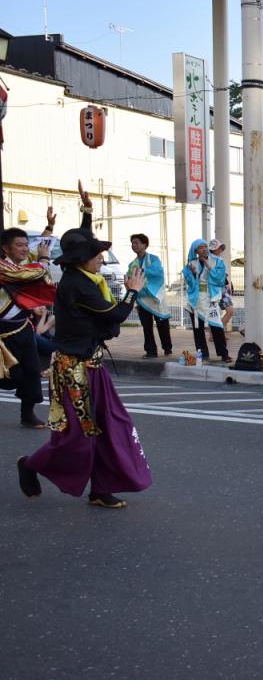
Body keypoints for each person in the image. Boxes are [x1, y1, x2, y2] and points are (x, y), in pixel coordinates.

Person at [17, 189, 151, 510]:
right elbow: (117, 315)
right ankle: (30, 464)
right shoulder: (78, 285)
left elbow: (83, 239)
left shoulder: (83, 275)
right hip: (72, 372)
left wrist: (87, 209)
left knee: (110, 425)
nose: (101, 258)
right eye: (97, 255)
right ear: (82, 260)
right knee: (76, 437)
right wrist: (132, 292)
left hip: (92, 366)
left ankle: (100, 488)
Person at [0, 227, 55, 428]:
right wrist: (43, 260)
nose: (24, 249)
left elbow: (38, 267)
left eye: (25, 245)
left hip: (22, 327)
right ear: (6, 248)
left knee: (32, 371)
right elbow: (28, 274)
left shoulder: (23, 265)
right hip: (2, 331)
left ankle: (27, 413)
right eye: (19, 245)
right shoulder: (5, 267)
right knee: (9, 375)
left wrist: (48, 230)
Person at [182, 238, 231, 363]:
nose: (204, 249)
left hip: (211, 298)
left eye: (205, 246)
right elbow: (189, 282)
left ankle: (224, 353)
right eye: (201, 247)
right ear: (196, 251)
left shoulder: (217, 261)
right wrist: (193, 274)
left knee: (217, 326)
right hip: (196, 300)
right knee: (198, 329)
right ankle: (202, 353)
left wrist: (209, 266)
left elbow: (220, 279)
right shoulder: (191, 264)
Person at [128, 233, 173, 359]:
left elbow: (158, 273)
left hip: (155, 298)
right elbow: (130, 278)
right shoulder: (132, 263)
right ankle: (150, 351)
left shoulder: (154, 259)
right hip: (142, 299)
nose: (134, 245)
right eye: (133, 243)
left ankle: (167, 348)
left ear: (145, 245)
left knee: (162, 324)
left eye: (137, 242)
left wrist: (143, 271)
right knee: (146, 326)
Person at [209, 239, 235, 332]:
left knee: (222, 312)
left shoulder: (217, 259)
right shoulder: (211, 259)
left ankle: (216, 333)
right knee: (229, 310)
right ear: (214, 249)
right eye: (219, 247)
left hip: (220, 288)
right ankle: (217, 333)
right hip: (216, 289)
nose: (221, 249)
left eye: (221, 247)